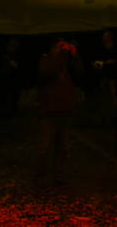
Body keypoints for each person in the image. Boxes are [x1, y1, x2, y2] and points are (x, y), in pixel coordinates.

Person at [36, 38, 82, 185]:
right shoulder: (46, 60)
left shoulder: (67, 64)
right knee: (46, 146)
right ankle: (41, 175)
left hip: (65, 110)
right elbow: (48, 73)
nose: (62, 50)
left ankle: (58, 175)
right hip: (49, 111)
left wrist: (75, 55)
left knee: (63, 147)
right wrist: (61, 55)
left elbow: (80, 73)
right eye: (59, 47)